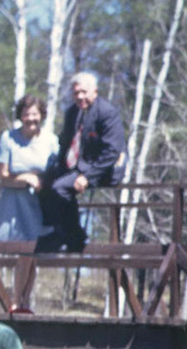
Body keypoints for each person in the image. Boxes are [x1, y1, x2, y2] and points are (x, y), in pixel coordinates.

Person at [41, 71, 126, 254]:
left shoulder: (107, 112)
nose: (79, 96)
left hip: (105, 169)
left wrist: (86, 177)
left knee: (61, 187)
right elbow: (65, 142)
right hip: (79, 164)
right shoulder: (73, 112)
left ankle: (75, 237)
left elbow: (112, 152)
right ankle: (56, 230)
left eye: (84, 92)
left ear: (94, 92)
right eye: (76, 93)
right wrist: (56, 167)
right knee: (45, 181)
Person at [0, 94, 55, 315]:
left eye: (35, 114)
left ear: (41, 116)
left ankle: (24, 301)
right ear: (20, 115)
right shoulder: (8, 138)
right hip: (16, 201)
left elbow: (58, 169)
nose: (31, 118)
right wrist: (27, 178)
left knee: (33, 253)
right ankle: (15, 301)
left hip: (40, 201)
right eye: (27, 114)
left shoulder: (50, 140)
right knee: (23, 251)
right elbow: (3, 173)